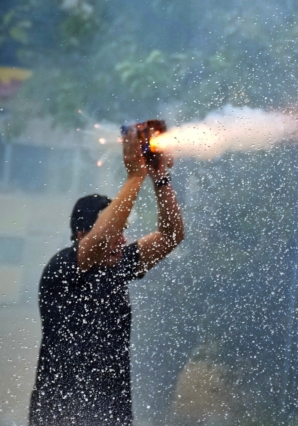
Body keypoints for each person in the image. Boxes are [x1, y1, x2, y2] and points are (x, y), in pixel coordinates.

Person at [29, 127, 185, 425]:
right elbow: (101, 240)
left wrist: (160, 177)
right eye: (113, 231)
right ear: (80, 234)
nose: (121, 239)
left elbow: (171, 234)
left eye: (122, 232)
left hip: (111, 415)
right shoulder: (62, 268)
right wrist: (135, 177)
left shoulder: (117, 266)